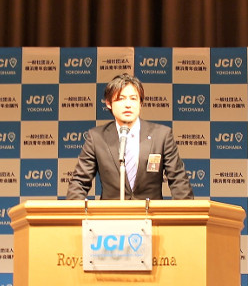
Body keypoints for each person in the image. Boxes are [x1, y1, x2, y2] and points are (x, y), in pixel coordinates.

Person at [66, 73, 194, 200]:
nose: (128, 104)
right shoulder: (96, 137)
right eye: (121, 99)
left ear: (140, 103)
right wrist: (75, 209)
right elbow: (79, 182)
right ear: (109, 103)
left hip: (150, 211)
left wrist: (186, 211)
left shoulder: (161, 135)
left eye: (133, 98)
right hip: (111, 212)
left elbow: (179, 180)